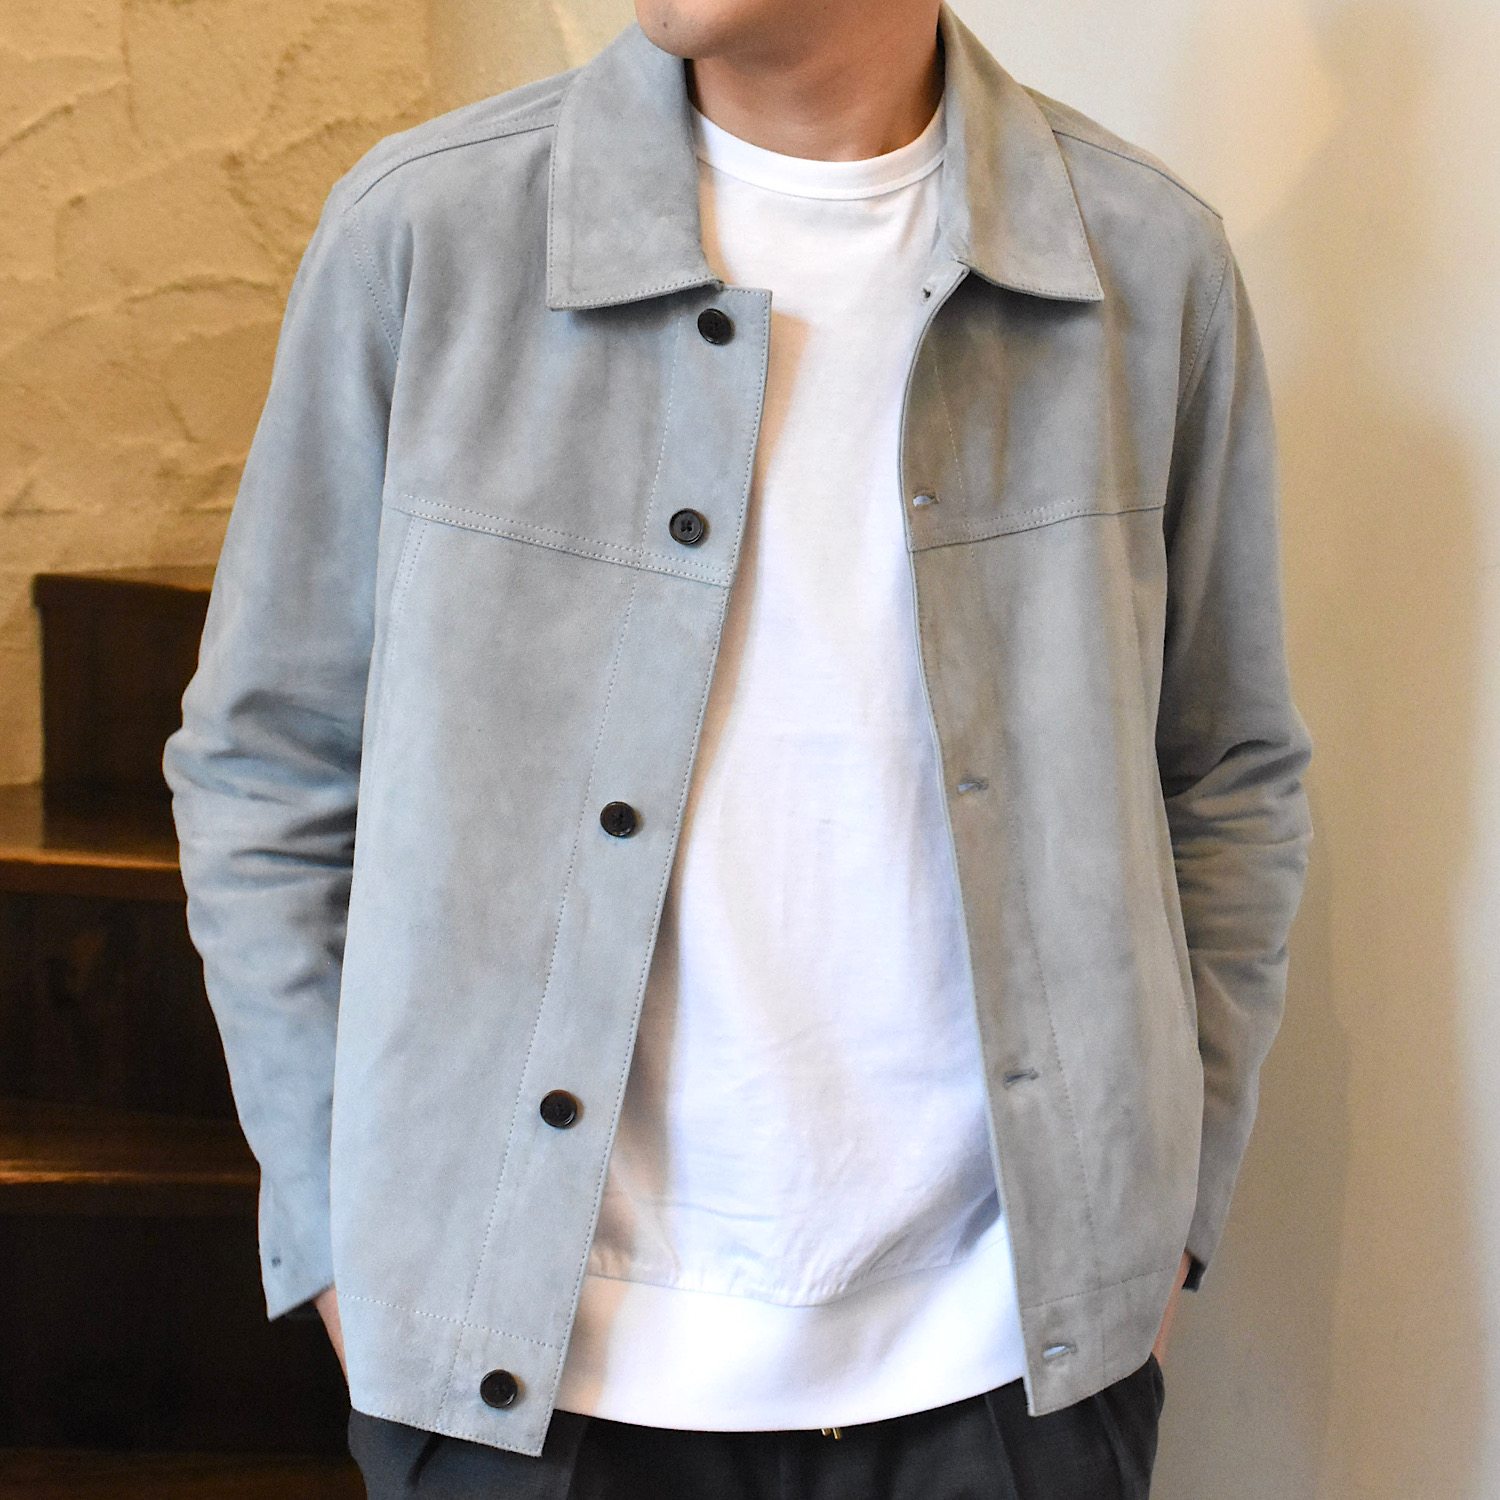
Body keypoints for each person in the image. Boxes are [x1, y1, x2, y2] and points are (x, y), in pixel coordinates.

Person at [164, 0, 1312, 1494]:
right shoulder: (431, 233)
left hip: (1003, 1372)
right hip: (526, 1387)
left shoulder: (1144, 264)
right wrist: (337, 1233)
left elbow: (1225, 775)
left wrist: (1167, 1224)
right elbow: (269, 763)